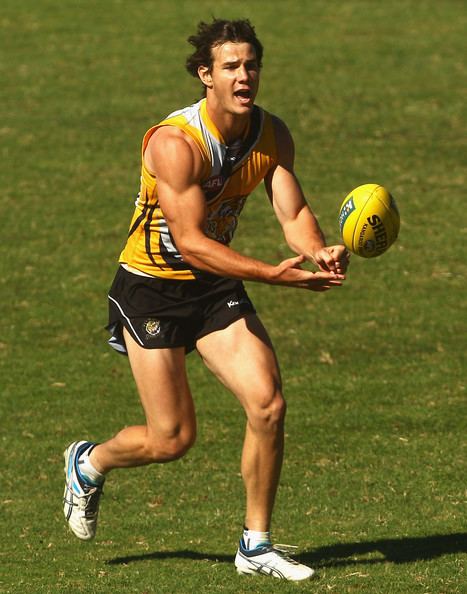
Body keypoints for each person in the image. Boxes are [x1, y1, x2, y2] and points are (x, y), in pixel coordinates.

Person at [63, 18, 349, 582]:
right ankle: (89, 462)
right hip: (151, 290)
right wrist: (271, 273)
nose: (245, 76)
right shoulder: (175, 143)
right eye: (231, 67)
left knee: (267, 402)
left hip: (213, 286)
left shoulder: (272, 134)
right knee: (172, 439)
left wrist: (318, 251)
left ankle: (256, 544)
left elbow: (291, 212)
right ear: (206, 76)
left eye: (251, 65)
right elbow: (191, 243)